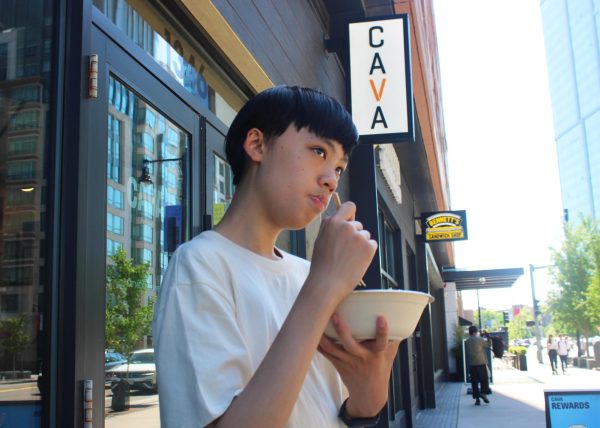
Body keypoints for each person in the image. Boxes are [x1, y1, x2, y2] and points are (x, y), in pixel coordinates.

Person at [153, 85, 400, 427]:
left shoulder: (306, 272)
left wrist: (371, 392)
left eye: (340, 168)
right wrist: (325, 286)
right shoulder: (199, 265)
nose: (331, 180)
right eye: (318, 151)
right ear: (257, 145)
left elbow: (338, 408)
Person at [464, 325, 491, 406]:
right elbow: (488, 345)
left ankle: (477, 399)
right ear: (476, 331)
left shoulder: (467, 341)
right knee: (484, 380)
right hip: (481, 363)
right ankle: (483, 393)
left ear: (470, 332)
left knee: (474, 382)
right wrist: (488, 336)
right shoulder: (479, 339)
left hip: (472, 364)